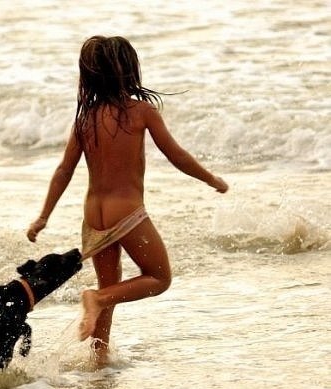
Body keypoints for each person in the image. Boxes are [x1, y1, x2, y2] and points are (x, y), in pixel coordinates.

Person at [26, 35, 228, 365]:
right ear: (129, 70)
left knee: (110, 288)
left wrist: (43, 216)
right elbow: (176, 155)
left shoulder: (84, 119)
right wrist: (211, 179)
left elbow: (64, 170)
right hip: (126, 212)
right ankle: (94, 301)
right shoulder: (141, 112)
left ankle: (98, 358)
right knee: (159, 278)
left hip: (94, 216)